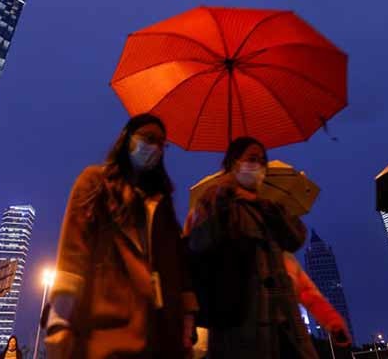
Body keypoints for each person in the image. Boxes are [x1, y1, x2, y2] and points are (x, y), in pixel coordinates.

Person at [44, 113, 198, 359]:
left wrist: (187, 325)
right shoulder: (95, 182)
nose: (155, 148)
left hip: (159, 332)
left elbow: (178, 268)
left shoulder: (162, 203)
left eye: (162, 144)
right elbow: (73, 253)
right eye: (149, 138)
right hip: (105, 329)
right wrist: (59, 321)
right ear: (127, 139)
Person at [185, 136, 317, 359]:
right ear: (234, 163)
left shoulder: (268, 204)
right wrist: (223, 201)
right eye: (252, 158)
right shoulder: (215, 199)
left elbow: (296, 238)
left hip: (282, 315)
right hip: (241, 316)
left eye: (262, 160)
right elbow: (198, 243)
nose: (258, 165)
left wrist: (267, 207)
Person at [282, 252, 352, 350]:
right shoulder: (286, 259)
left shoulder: (286, 259)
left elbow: (311, 296)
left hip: (286, 332)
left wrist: (335, 325)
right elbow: (311, 296)